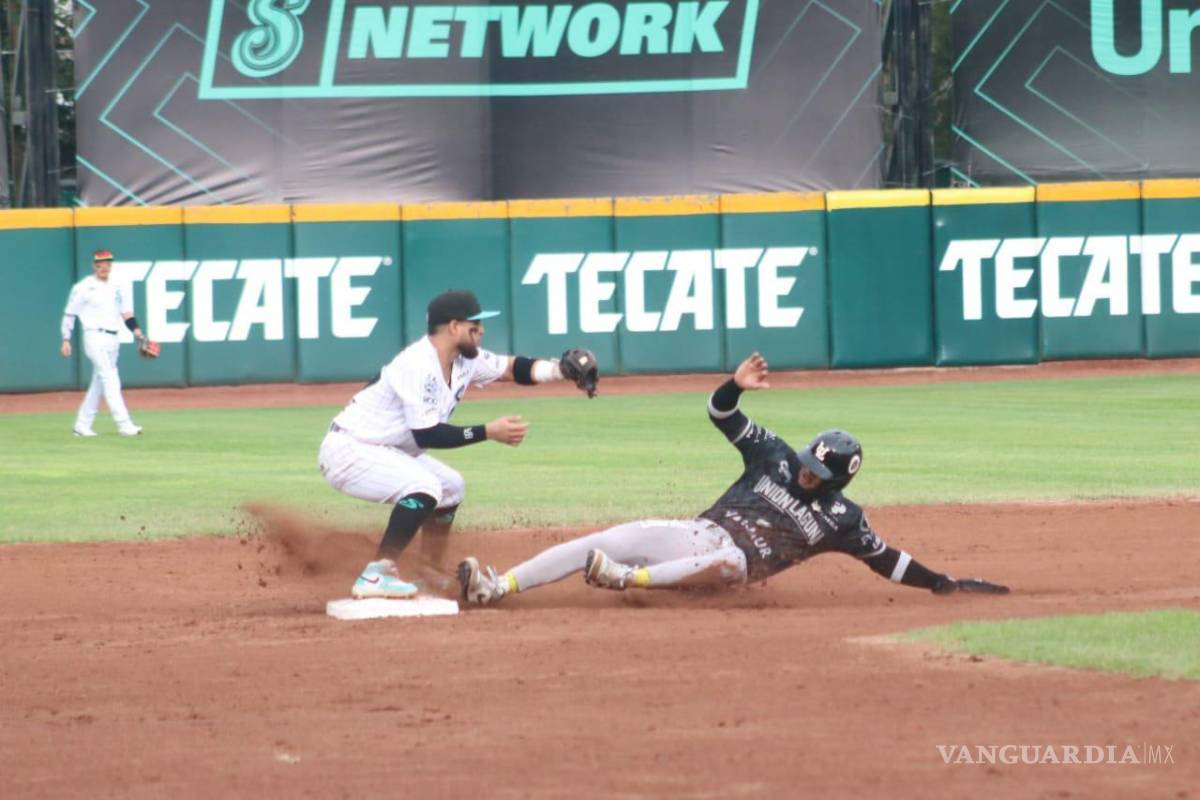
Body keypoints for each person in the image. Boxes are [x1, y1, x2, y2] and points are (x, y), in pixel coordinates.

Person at [457, 352, 1009, 605]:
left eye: (818, 473)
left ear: (837, 481)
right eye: (807, 463)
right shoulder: (774, 455)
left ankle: (627, 580)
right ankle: (497, 587)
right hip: (694, 534)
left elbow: (889, 561)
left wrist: (942, 582)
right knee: (609, 538)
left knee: (733, 561)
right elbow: (721, 414)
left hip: (729, 567)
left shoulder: (844, 518)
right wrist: (735, 384)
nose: (805, 473)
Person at [319, 288, 599, 600]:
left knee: (451, 486)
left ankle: (427, 572)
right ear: (453, 327)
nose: (481, 331)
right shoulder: (416, 364)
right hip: (350, 450)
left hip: (386, 449)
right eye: (474, 326)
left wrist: (559, 370)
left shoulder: (465, 360)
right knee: (423, 485)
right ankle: (376, 574)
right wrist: (487, 431)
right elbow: (427, 435)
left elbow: (511, 367)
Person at [60, 249, 146, 437]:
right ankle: (124, 424)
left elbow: (127, 314)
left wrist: (138, 332)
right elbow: (70, 313)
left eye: (107, 263)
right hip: (94, 336)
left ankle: (82, 425)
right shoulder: (84, 287)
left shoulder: (118, 286)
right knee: (110, 377)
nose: (104, 266)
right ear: (94, 266)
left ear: (111, 265)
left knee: (99, 382)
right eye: (100, 264)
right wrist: (66, 338)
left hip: (113, 338)